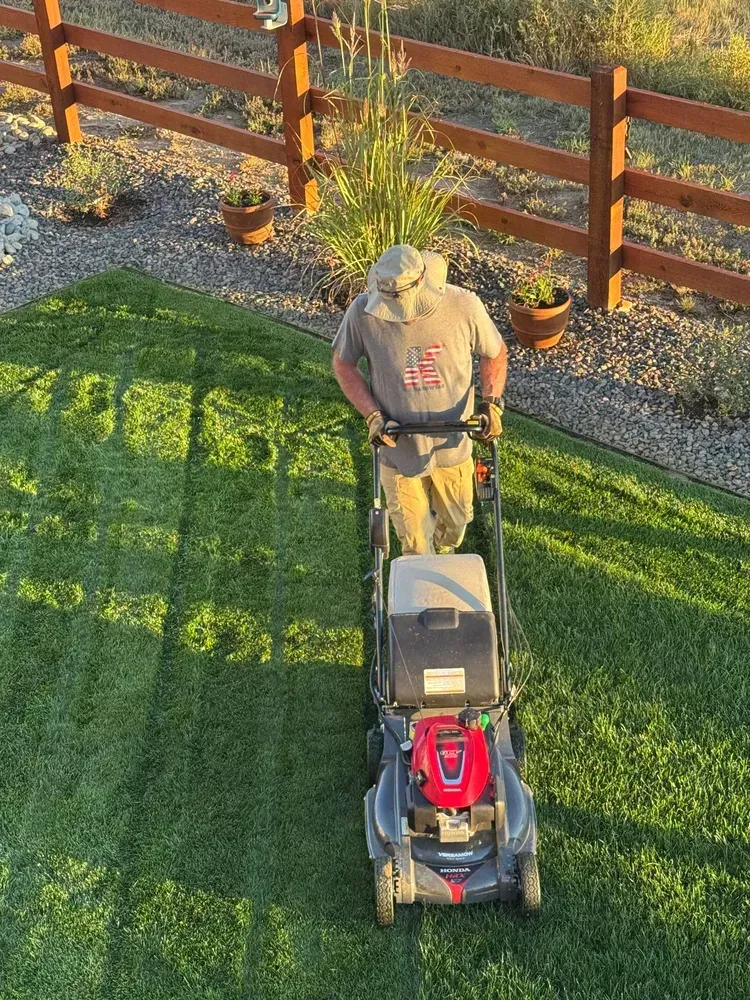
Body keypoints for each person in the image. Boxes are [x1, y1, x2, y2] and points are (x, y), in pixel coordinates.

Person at [332, 244, 507, 556]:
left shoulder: (463, 305)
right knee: (415, 544)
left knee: (456, 524)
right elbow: (343, 364)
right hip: (398, 447)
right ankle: (423, 575)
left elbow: (494, 352)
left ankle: (444, 554)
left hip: (453, 442)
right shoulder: (362, 313)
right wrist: (373, 416)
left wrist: (491, 402)